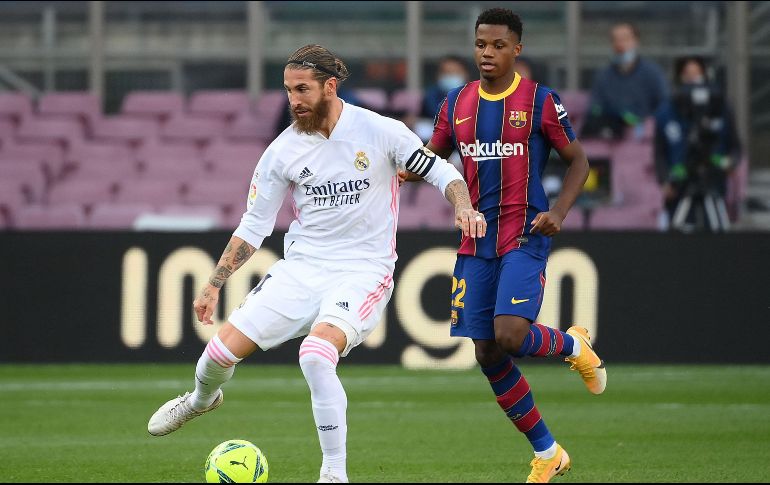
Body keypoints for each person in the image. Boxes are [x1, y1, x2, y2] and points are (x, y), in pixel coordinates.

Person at [147, 44, 485, 484]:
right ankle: (199, 401)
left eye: (302, 89)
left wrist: (464, 207)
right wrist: (214, 284)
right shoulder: (282, 151)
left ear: (330, 86)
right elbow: (254, 225)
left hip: (364, 270)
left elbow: (443, 172)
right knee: (218, 354)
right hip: (302, 268)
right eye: (288, 90)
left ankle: (333, 474)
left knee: (316, 353)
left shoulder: (380, 131)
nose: (294, 100)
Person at [402, 8, 605, 483]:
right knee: (487, 353)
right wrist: (392, 168)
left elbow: (578, 161)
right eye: (480, 45)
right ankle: (549, 451)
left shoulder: (539, 101)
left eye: (497, 45)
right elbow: (431, 157)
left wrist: (557, 213)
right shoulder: (456, 103)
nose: (486, 53)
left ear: (517, 48)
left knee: (511, 336)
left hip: (524, 234)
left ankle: (573, 345)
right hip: (475, 241)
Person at [654, 55, 740, 231]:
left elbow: (735, 146)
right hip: (680, 185)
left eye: (697, 73)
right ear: (680, 78)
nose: (693, 78)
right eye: (687, 73)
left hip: (713, 182)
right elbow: (659, 151)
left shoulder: (721, 107)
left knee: (718, 239)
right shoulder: (667, 111)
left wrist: (730, 162)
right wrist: (664, 179)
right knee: (679, 239)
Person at [582, 22, 668, 140]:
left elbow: (664, 104)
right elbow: (595, 107)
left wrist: (646, 122)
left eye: (625, 39)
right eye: (615, 40)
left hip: (645, 137)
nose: (620, 45)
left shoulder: (652, 73)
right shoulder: (603, 76)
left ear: (636, 41)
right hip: (610, 136)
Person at [420, 55, 471, 120]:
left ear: (466, 74)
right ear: (438, 75)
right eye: (446, 72)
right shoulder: (431, 94)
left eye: (455, 72)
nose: (450, 76)